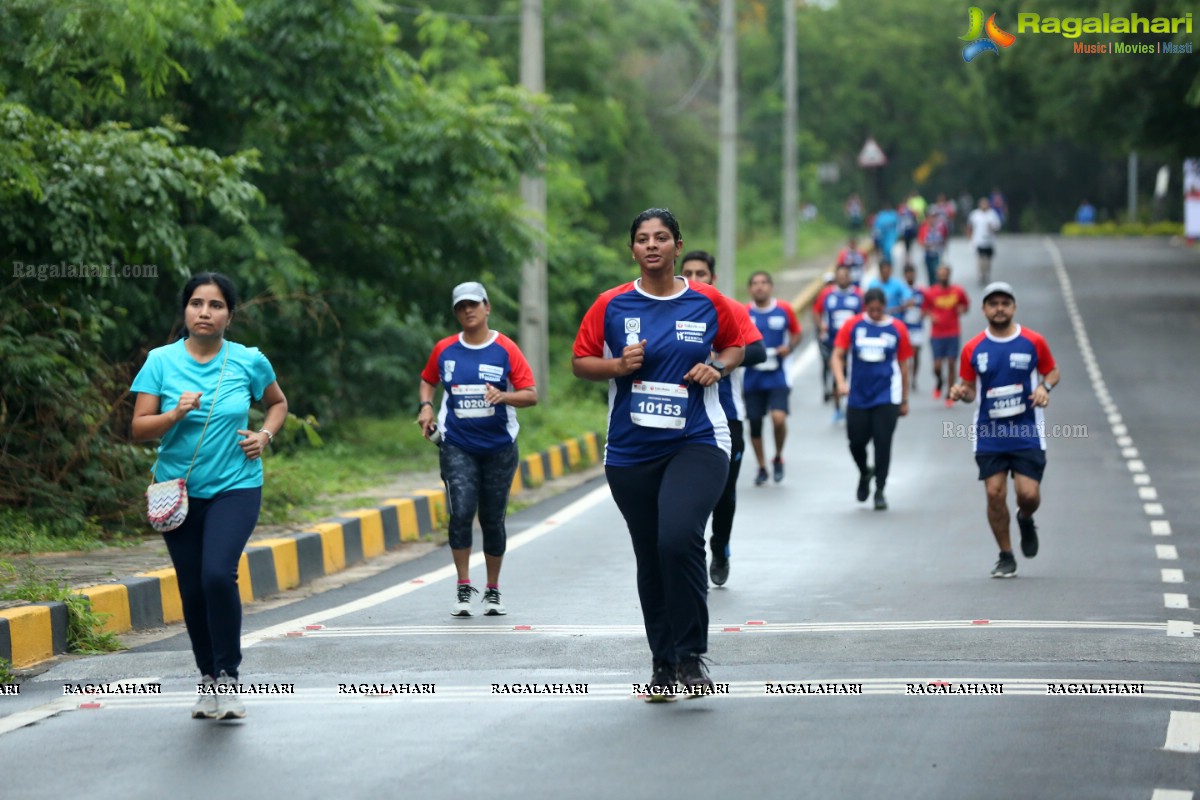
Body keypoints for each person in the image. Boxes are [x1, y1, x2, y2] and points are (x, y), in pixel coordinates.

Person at [573, 208, 744, 700]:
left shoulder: (709, 301)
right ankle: (662, 663)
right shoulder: (611, 305)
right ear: (633, 249)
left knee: (677, 537)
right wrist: (615, 365)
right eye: (643, 239)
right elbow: (580, 362)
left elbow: (737, 346)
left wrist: (717, 366)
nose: (652, 245)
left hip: (698, 440)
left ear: (676, 245)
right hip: (630, 451)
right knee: (650, 555)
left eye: (662, 237)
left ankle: (691, 656)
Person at [132, 272, 288, 720]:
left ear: (229, 316)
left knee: (218, 575)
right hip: (177, 492)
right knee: (193, 587)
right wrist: (173, 413)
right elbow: (138, 427)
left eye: (215, 305)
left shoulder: (248, 360)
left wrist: (265, 434)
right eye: (197, 303)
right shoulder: (160, 362)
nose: (205, 312)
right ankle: (207, 678)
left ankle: (230, 676)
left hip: (236, 485)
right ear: (185, 311)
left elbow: (278, 403)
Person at [418, 282, 538, 618]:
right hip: (457, 445)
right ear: (456, 312)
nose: (468, 311)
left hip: (499, 447)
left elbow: (531, 394)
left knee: (492, 519)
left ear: (487, 307)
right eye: (461, 307)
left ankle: (493, 589)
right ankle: (463, 584)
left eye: (473, 304)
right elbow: (428, 379)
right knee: (461, 512)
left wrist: (505, 396)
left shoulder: (505, 349)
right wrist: (426, 406)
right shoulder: (445, 350)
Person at [948, 282, 1060, 578]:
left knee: (1028, 495)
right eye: (993, 303)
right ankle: (1006, 555)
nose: (999, 308)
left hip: (1026, 432)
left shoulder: (1033, 341)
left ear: (1014, 308)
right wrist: (961, 392)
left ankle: (1025, 518)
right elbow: (971, 389)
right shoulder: (973, 348)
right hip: (989, 434)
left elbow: (1052, 370)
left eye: (1005, 303)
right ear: (984, 309)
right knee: (994, 494)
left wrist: (1043, 387)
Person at [680, 251, 766, 587]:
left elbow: (757, 350)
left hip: (726, 416)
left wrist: (720, 361)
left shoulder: (727, 308)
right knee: (687, 494)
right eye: (688, 273)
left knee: (724, 493)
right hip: (680, 418)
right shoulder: (665, 309)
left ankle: (720, 546)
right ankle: (692, 553)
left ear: (712, 278)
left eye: (702, 273)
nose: (695, 279)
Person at [830, 288, 912, 511]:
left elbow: (904, 366)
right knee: (856, 441)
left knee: (883, 443)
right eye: (871, 309)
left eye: (879, 309)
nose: (875, 313)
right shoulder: (853, 325)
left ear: (885, 305)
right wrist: (840, 381)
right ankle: (865, 472)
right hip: (858, 395)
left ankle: (880, 489)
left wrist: (904, 399)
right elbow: (837, 356)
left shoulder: (897, 328)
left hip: (887, 395)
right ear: (865, 306)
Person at [744, 270, 802, 485]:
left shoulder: (784, 309)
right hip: (752, 378)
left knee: (779, 418)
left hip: (778, 375)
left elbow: (797, 332)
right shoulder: (744, 312)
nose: (760, 287)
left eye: (764, 283)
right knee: (755, 423)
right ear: (750, 289)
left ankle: (778, 456)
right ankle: (761, 466)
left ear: (771, 287)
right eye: (755, 283)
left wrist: (789, 347)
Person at [819, 264, 864, 423]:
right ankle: (837, 408)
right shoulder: (827, 295)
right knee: (836, 375)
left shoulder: (858, 295)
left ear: (850, 277)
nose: (843, 278)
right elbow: (817, 312)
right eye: (840, 275)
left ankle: (855, 407)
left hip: (853, 345)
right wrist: (821, 326)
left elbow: (864, 317)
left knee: (854, 375)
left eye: (846, 275)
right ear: (836, 277)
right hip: (833, 343)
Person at [923, 264, 970, 407]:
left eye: (945, 274)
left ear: (949, 275)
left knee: (951, 363)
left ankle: (949, 393)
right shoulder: (931, 293)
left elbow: (966, 305)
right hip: (937, 334)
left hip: (953, 332)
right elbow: (924, 309)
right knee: (937, 366)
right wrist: (931, 316)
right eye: (940, 274)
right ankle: (939, 381)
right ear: (937, 276)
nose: (943, 276)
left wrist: (962, 309)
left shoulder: (958, 291)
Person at [901, 263, 926, 392]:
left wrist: (924, 313)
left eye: (912, 273)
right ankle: (905, 376)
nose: (910, 275)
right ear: (904, 275)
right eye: (907, 273)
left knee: (916, 353)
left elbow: (926, 306)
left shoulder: (920, 291)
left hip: (917, 327)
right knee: (906, 354)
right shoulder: (901, 291)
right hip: (905, 327)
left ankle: (914, 377)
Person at [967, 196, 1003, 286]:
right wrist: (970, 237)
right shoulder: (975, 214)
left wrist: (992, 228)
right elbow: (970, 226)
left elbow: (997, 226)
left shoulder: (992, 214)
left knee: (989, 260)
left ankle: (987, 274)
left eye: (985, 203)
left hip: (990, 241)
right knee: (981, 259)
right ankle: (981, 275)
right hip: (979, 240)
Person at [813, 271, 836, 403]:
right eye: (828, 283)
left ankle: (834, 387)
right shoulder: (823, 296)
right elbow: (816, 312)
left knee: (835, 363)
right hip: (824, 336)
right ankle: (826, 389)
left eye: (832, 283)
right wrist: (821, 326)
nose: (830, 286)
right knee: (826, 362)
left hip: (836, 337)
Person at [919, 206, 949, 286]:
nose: (932, 219)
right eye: (930, 217)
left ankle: (937, 288)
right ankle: (932, 290)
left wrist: (942, 245)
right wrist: (927, 245)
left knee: (937, 272)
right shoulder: (924, 227)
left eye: (934, 216)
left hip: (937, 254)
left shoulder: (940, 227)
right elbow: (921, 240)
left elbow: (944, 238)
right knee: (930, 274)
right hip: (927, 254)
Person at [871, 203, 899, 267]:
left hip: (891, 236)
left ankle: (889, 263)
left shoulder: (893, 215)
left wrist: (897, 234)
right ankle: (885, 263)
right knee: (883, 250)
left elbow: (897, 225)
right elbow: (876, 227)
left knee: (888, 249)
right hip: (882, 237)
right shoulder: (880, 216)